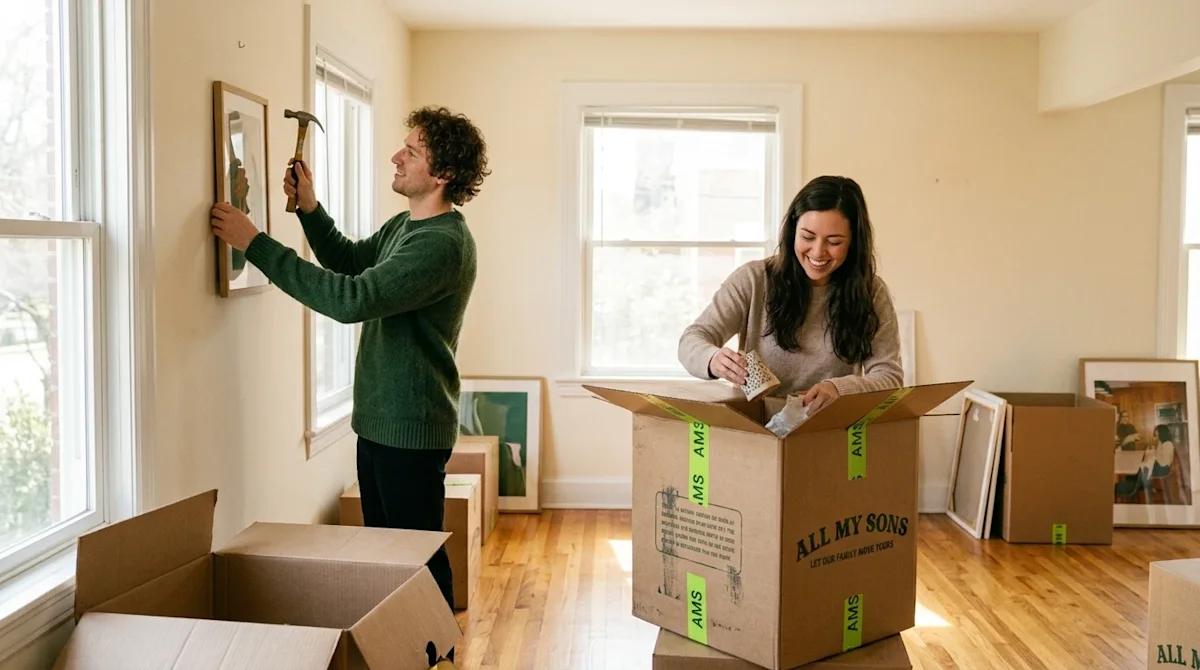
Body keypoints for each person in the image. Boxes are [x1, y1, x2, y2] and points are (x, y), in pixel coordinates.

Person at [210, 106, 490, 639]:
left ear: (443, 174)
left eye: (411, 151)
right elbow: (350, 261)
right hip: (381, 421)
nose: (396, 156)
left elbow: (349, 299)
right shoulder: (409, 226)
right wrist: (310, 210)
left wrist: (256, 244)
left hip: (410, 427)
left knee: (413, 561)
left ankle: (437, 649)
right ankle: (401, 646)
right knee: (385, 559)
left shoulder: (442, 245)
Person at [678, 175, 903, 412]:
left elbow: (889, 378)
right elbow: (692, 339)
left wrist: (839, 389)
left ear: (854, 242)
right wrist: (713, 360)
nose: (818, 252)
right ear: (792, 231)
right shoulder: (754, 280)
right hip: (756, 425)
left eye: (834, 242)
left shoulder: (871, 293)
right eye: (807, 237)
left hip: (829, 428)